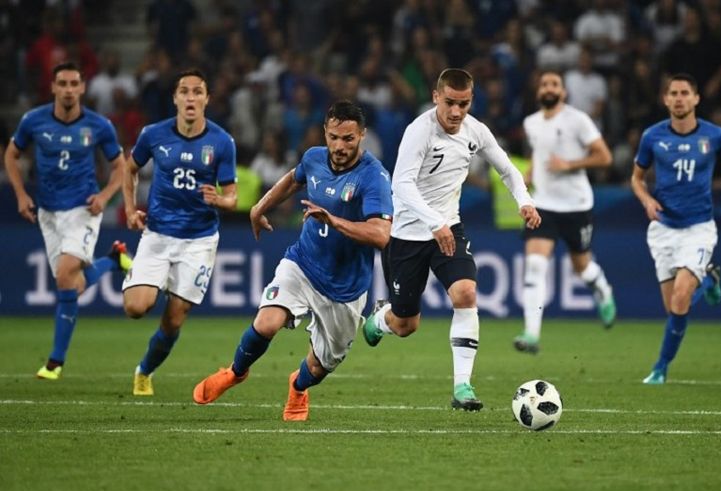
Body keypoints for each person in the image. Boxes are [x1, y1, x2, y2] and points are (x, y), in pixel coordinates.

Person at [192, 101, 393, 421]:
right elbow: (293, 178)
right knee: (266, 323)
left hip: (345, 288)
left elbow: (382, 234)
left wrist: (334, 220)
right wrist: (259, 207)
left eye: (348, 139)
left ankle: (298, 387)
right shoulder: (314, 157)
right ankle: (235, 371)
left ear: (362, 136)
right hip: (303, 264)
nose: (339, 146)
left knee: (320, 365)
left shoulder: (374, 177)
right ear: (325, 133)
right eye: (333, 137)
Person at [362, 68, 541, 411]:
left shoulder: (476, 131)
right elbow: (402, 184)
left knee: (466, 292)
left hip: (449, 229)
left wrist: (525, 202)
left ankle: (463, 387)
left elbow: (507, 169)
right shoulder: (419, 131)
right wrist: (432, 223)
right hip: (408, 235)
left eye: (464, 103)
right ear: (435, 97)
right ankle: (381, 319)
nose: (456, 112)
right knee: (405, 324)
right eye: (450, 103)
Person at [3, 61, 130, 380]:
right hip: (47, 212)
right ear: (53, 87)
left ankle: (55, 362)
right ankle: (113, 261)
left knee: (64, 277)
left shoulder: (99, 126)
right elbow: (11, 155)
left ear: (83, 88)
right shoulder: (34, 121)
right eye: (63, 83)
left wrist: (104, 197)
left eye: (75, 84)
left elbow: (120, 166)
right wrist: (20, 194)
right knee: (72, 283)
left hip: (82, 210)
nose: (69, 89)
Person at [122, 68, 237, 396]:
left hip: (199, 240)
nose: (190, 97)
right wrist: (130, 210)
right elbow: (129, 170)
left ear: (206, 99)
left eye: (197, 91)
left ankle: (144, 371)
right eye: (184, 91)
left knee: (173, 320)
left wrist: (221, 200)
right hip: (158, 235)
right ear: (175, 98)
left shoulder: (221, 142)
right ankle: (134, 270)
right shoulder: (153, 135)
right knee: (135, 308)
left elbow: (233, 197)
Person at [632, 73, 721, 384]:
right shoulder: (652, 137)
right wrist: (646, 200)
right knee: (673, 308)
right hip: (663, 229)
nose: (679, 98)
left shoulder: (715, 136)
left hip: (699, 227)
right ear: (665, 99)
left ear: (696, 98)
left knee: (681, 297)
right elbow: (636, 178)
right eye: (674, 93)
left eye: (685, 92)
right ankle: (709, 279)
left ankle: (660, 368)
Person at [513, 70, 616, 354]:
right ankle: (531, 334)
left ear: (563, 92)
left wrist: (569, 164)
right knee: (535, 266)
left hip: (576, 205)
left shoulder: (577, 120)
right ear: (538, 92)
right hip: (544, 205)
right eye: (544, 83)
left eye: (555, 84)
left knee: (582, 268)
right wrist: (531, 174)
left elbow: (604, 156)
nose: (549, 88)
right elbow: (539, 154)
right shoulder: (531, 123)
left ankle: (603, 290)